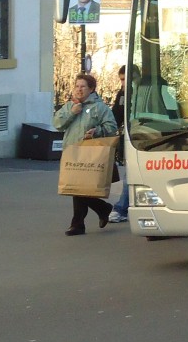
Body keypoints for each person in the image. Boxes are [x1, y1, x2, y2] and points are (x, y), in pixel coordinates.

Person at [53, 73, 117, 235]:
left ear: (91, 89)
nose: (79, 89)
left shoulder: (100, 108)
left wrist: (97, 131)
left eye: (83, 86)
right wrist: (71, 113)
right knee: (76, 187)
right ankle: (102, 209)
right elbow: (57, 124)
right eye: (77, 86)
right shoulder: (69, 106)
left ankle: (78, 224)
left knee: (79, 189)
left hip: (91, 153)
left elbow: (112, 127)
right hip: (72, 152)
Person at [107, 65, 131, 223]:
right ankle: (122, 208)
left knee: (130, 175)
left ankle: (121, 209)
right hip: (131, 138)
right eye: (121, 80)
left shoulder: (145, 91)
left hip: (143, 137)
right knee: (130, 175)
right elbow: (115, 115)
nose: (122, 83)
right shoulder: (122, 94)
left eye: (124, 79)